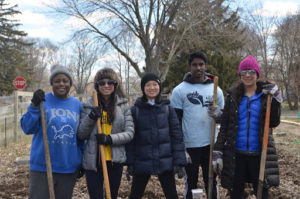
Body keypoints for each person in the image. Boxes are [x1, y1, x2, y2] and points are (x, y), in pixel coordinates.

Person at [213, 55, 281, 199]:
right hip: (236, 154)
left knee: (262, 193)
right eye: (243, 72)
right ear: (240, 75)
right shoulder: (233, 97)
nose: (247, 75)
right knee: (236, 193)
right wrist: (218, 150)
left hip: (259, 154)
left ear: (257, 74)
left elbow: (274, 122)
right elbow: (225, 126)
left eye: (251, 71)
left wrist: (275, 100)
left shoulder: (265, 97)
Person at [20, 64, 84, 199]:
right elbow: (27, 128)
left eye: (65, 81)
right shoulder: (43, 101)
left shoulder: (77, 105)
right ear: (52, 83)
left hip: (67, 167)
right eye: (57, 81)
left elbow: (81, 136)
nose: (61, 84)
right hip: (42, 167)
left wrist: (81, 161)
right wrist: (34, 106)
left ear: (70, 84)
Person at [170, 51, 224, 199]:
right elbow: (176, 122)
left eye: (201, 64)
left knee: (211, 181)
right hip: (190, 146)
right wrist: (180, 147)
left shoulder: (215, 90)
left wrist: (220, 115)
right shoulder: (179, 90)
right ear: (189, 66)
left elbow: (224, 120)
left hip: (210, 144)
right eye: (195, 65)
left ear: (206, 66)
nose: (198, 68)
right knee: (191, 181)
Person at [126, 73, 186, 199]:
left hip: (165, 160)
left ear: (159, 87)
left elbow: (176, 135)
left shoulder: (168, 108)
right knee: (135, 194)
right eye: (148, 85)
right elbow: (131, 139)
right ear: (143, 88)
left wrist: (179, 161)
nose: (152, 88)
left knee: (172, 194)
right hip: (142, 160)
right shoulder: (135, 110)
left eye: (155, 84)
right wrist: (130, 163)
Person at [77, 68, 134, 199]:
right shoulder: (88, 105)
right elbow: (81, 134)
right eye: (102, 83)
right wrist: (91, 117)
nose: (106, 85)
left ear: (115, 85)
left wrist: (109, 139)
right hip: (93, 161)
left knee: (111, 196)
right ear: (97, 85)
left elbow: (130, 133)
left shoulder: (123, 105)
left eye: (110, 82)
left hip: (115, 161)